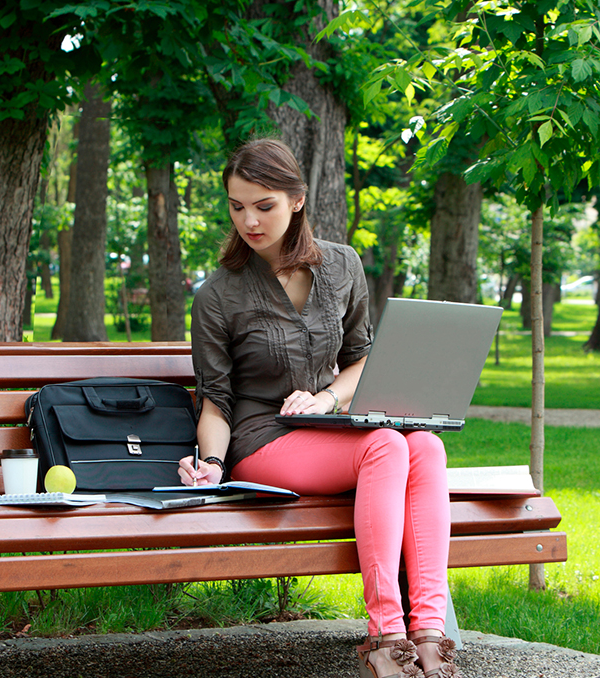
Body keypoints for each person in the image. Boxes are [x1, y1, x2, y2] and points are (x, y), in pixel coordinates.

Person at [179, 138, 460, 678]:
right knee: (384, 446)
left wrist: (328, 397)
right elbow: (216, 399)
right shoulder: (218, 293)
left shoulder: (342, 265)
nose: (249, 221)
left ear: (297, 200)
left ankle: (430, 631)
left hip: (329, 426)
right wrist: (212, 466)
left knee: (423, 443)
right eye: (237, 206)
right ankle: (385, 634)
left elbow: (362, 361)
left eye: (264, 206)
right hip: (261, 439)